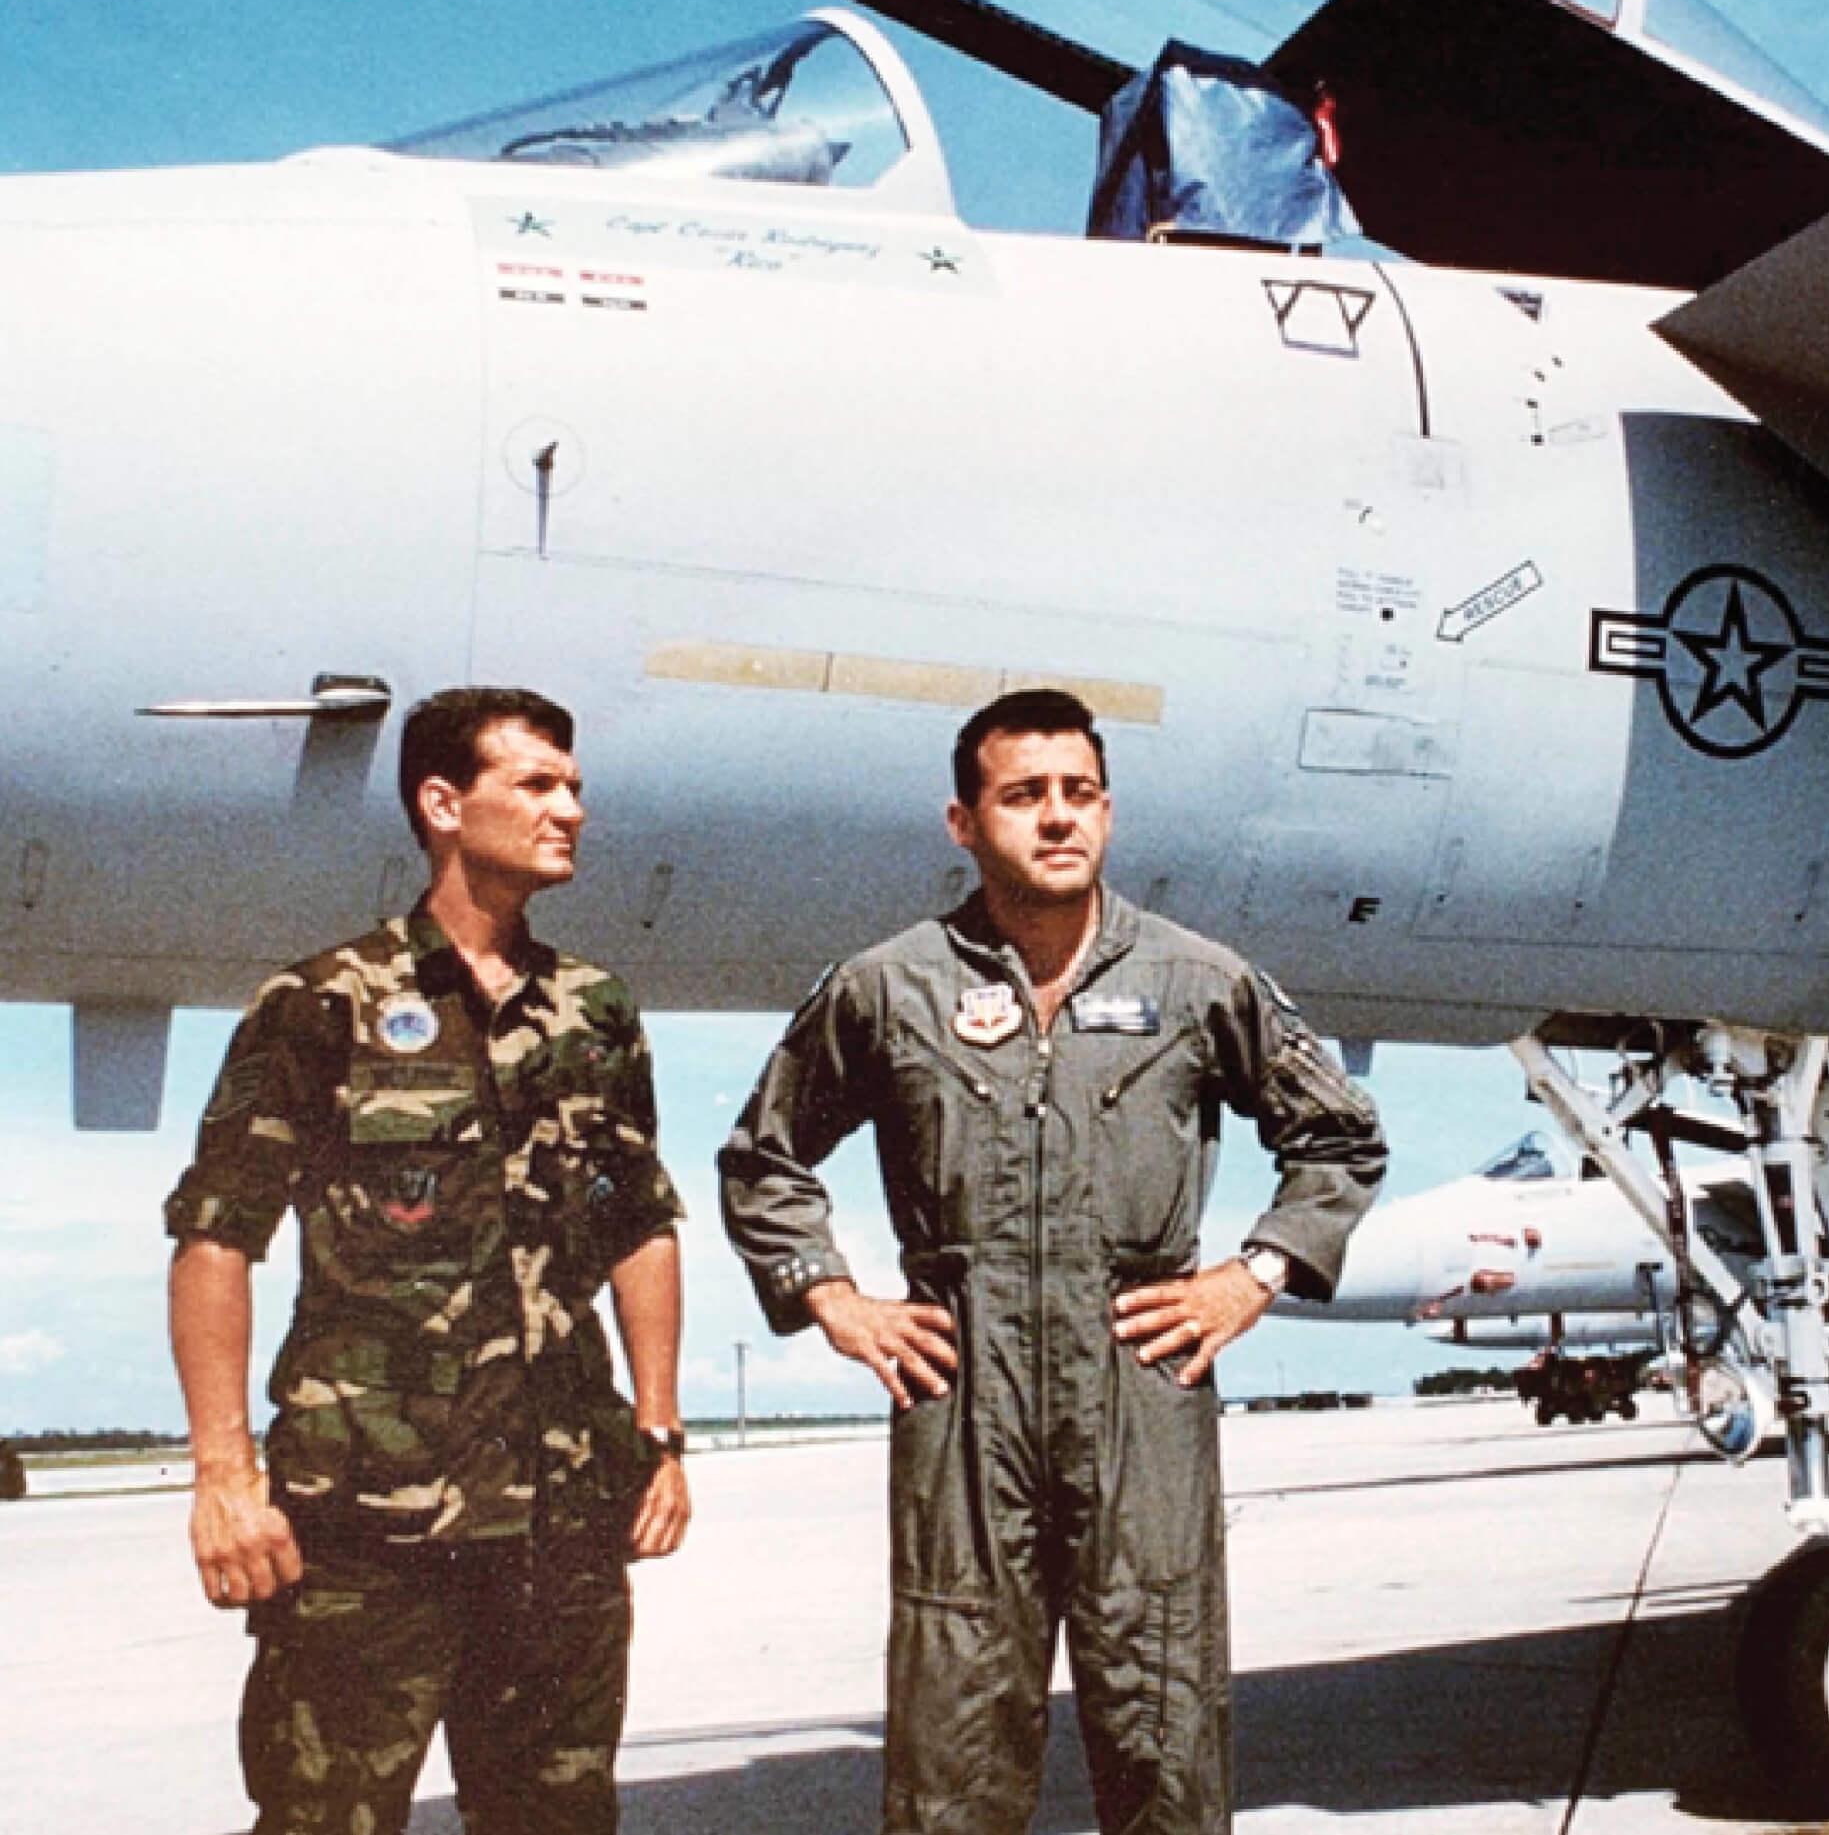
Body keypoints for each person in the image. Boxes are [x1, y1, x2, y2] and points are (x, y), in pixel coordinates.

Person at [721, 686, 1387, 1835]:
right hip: (959, 1395)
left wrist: (1256, 1273)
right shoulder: (889, 988)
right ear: (963, 823)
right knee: (951, 1747)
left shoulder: (1196, 982)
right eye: (1023, 796)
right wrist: (834, 1300)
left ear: (1110, 814)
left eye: (1079, 794)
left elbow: (1339, 1137)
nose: (1057, 818)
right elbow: (763, 1158)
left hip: (1142, 1384)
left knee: (1163, 1730)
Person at [165, 686, 690, 1835]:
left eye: (576, 787)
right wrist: (223, 1478)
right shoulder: (319, 1004)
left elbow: (640, 1222)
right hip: (364, 1531)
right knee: (325, 1820)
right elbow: (216, 1237)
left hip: (560, 1523)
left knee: (557, 1820)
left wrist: (659, 1430)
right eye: (539, 784)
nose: (572, 812)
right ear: (444, 804)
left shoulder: (595, 1011)